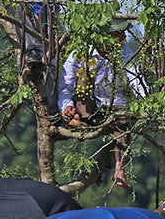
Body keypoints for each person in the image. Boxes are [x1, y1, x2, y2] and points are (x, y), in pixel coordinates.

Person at [57, 19, 145, 188]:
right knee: (83, 80)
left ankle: (120, 168)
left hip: (113, 105)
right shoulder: (81, 52)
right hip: (86, 104)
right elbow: (65, 86)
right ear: (106, 36)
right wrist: (66, 105)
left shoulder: (123, 50)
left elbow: (135, 78)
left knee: (122, 121)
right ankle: (78, 120)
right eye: (119, 33)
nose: (123, 37)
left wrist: (145, 102)